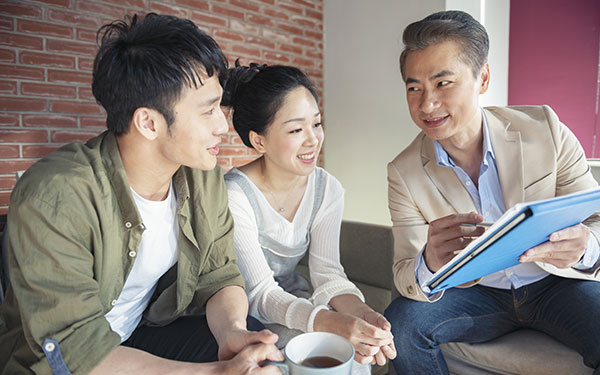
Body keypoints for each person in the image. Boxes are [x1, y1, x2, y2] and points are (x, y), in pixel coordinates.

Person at [0, 13, 283, 375]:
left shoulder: (202, 177)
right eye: (209, 110)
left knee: (261, 353)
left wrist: (232, 333)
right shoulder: (55, 196)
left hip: (137, 336)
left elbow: (220, 275)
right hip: (62, 365)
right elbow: (73, 349)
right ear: (149, 122)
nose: (222, 127)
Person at [384, 10, 600, 375]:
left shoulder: (544, 128)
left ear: (482, 77)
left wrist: (584, 246)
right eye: (413, 87)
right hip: (475, 294)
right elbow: (405, 272)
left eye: (443, 83)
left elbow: (595, 217)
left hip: (555, 284)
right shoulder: (403, 172)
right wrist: (430, 264)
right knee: (402, 328)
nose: (426, 105)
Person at [220, 62, 397, 373]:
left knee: (356, 359)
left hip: (292, 298)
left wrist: (361, 315)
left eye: (316, 124)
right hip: (242, 313)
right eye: (296, 130)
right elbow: (260, 293)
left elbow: (327, 273)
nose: (313, 139)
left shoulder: (327, 188)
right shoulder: (235, 196)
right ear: (259, 141)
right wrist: (328, 321)